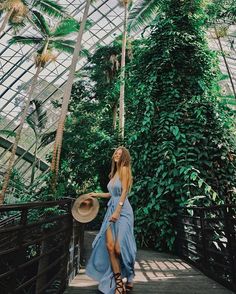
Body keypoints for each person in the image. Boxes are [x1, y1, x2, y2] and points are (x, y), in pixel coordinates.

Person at [86, 146, 137, 294]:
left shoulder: (125, 170)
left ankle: (130, 273)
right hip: (111, 211)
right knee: (109, 246)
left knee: (118, 248)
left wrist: (118, 210)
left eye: (120, 154)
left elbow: (124, 192)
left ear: (124, 157)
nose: (116, 155)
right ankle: (119, 283)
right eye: (115, 152)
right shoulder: (113, 174)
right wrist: (96, 194)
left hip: (123, 211)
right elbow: (112, 194)